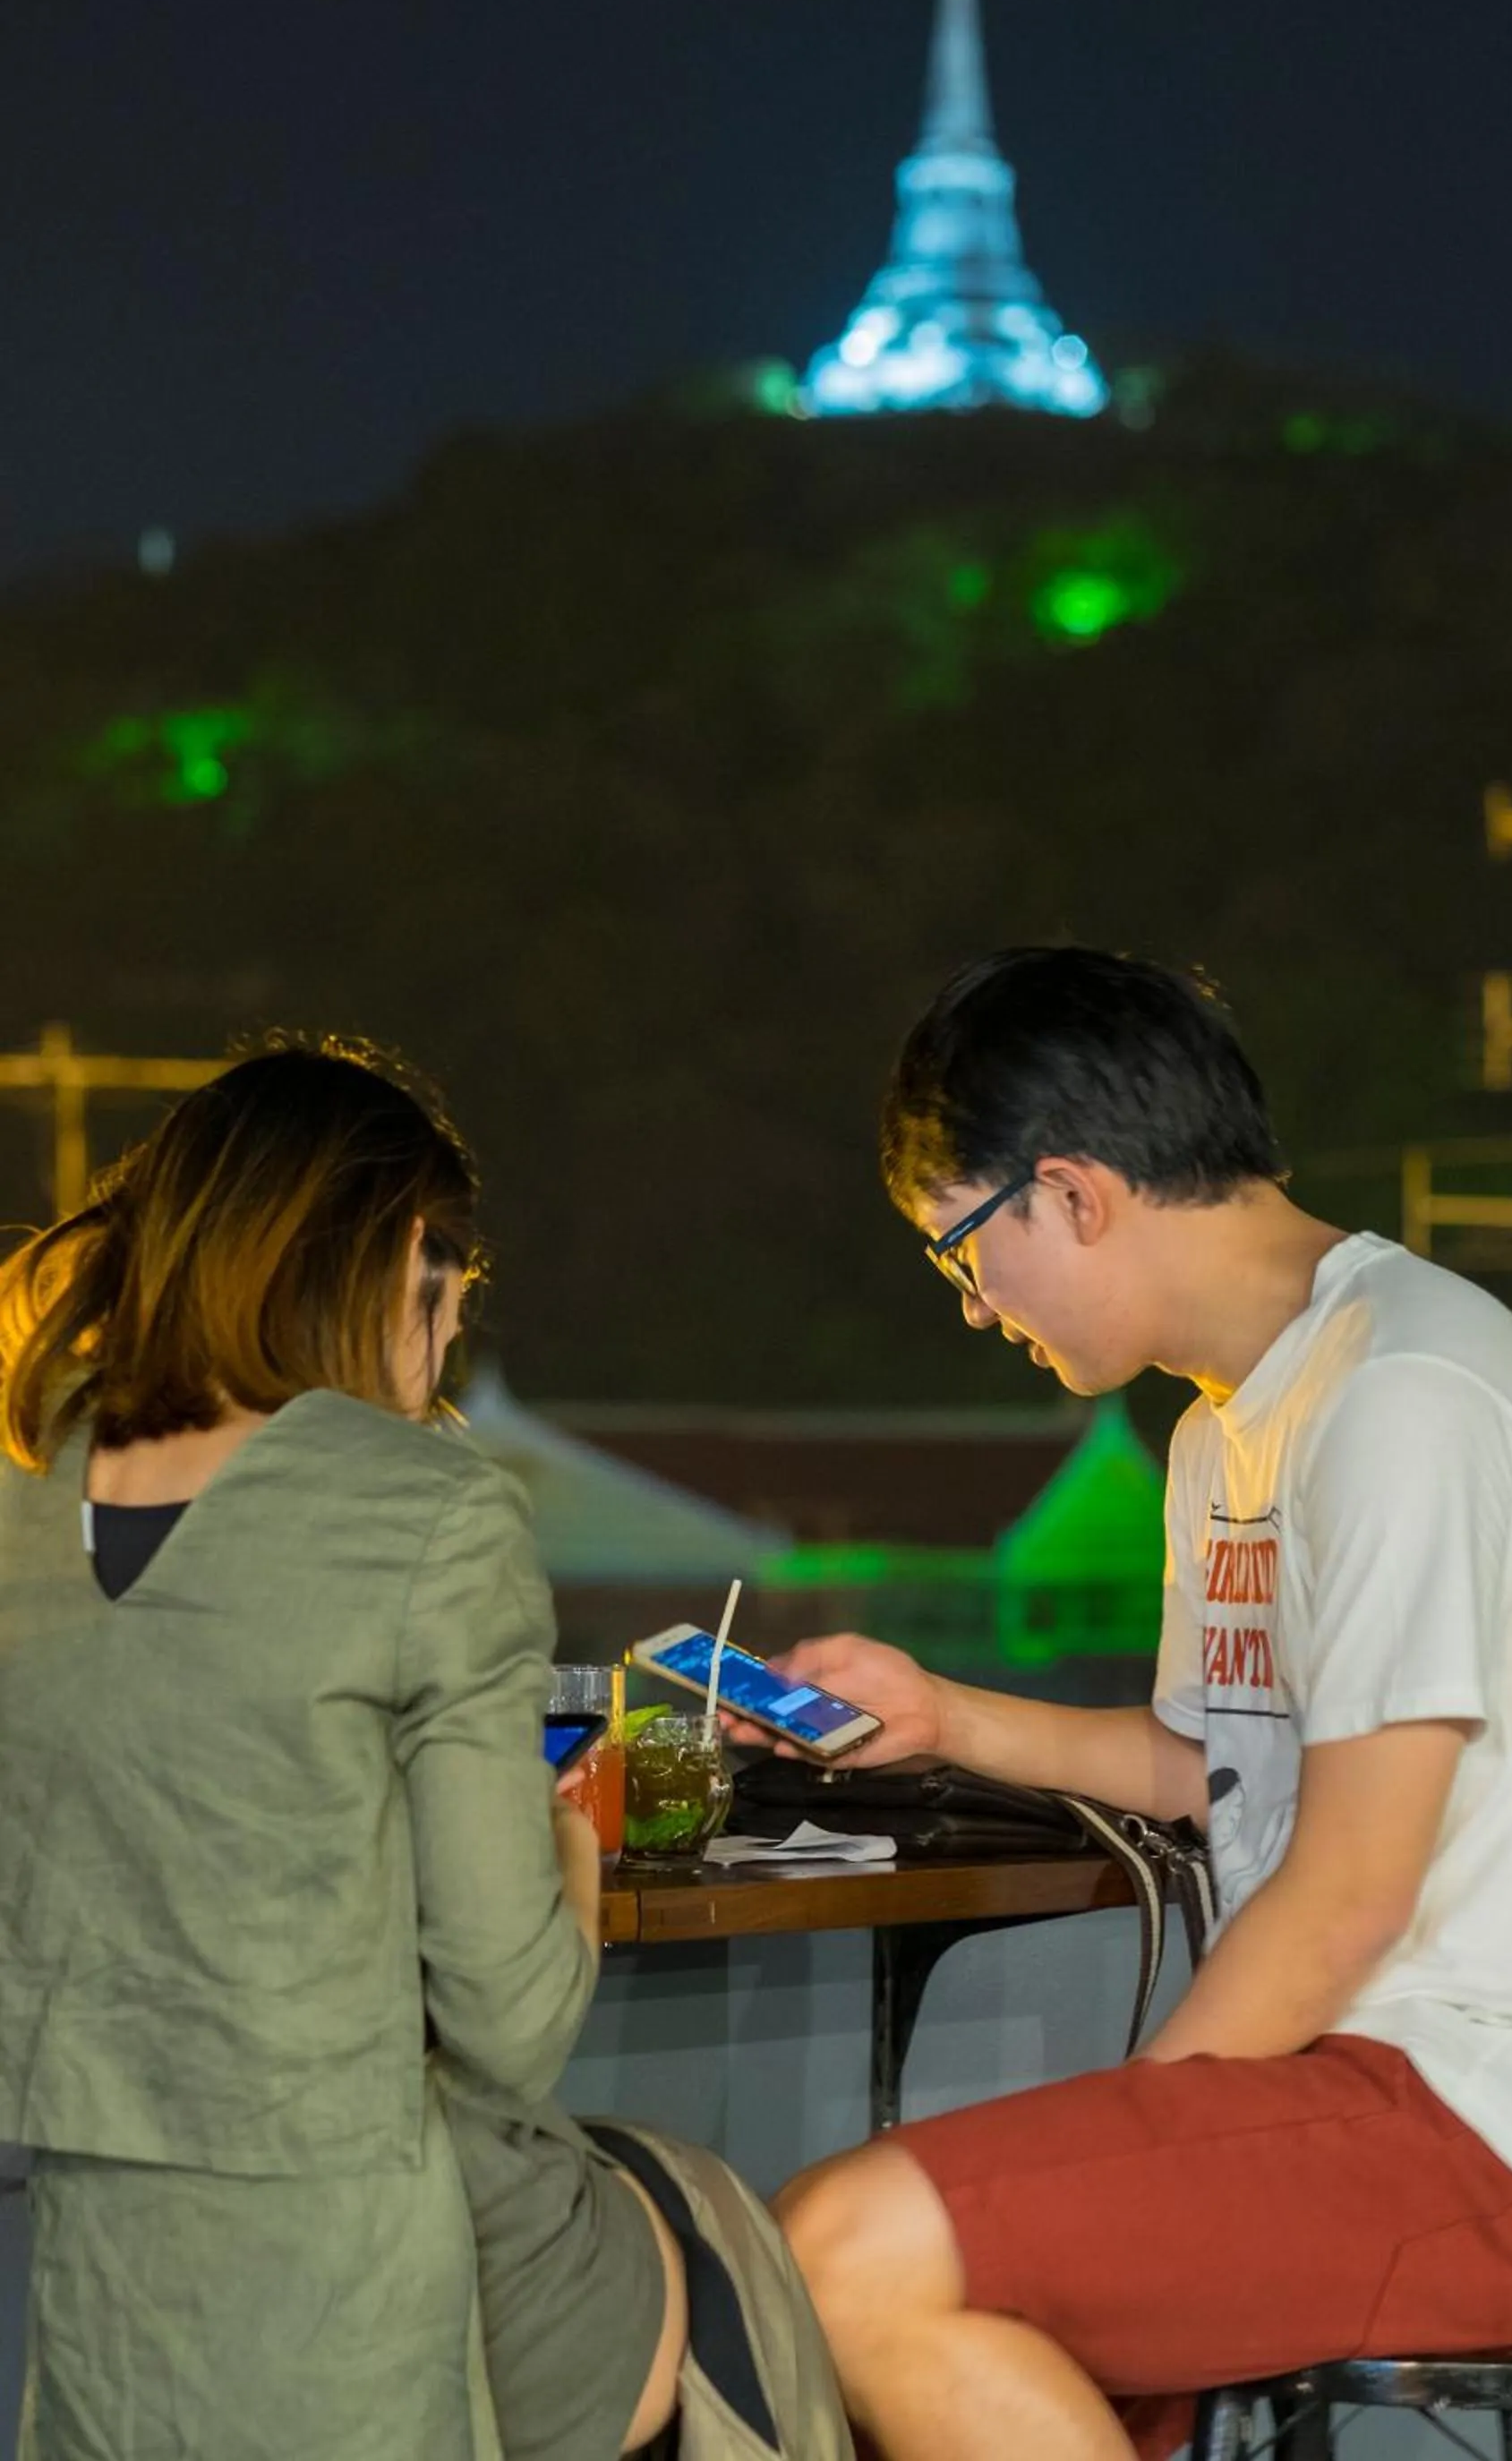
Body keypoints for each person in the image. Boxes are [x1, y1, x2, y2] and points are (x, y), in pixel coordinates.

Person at [762, 947, 1512, 2461]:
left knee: (838, 2254)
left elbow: (1346, 1891)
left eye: (961, 1256)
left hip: (1489, 2125)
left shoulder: (1408, 1391)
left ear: (1069, 1194)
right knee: (858, 2259)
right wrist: (941, 1714)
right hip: (1360, 2079)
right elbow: (1214, 1765)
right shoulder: (1232, 1428)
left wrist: (1124, 2151)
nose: (972, 1311)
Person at [0, 1042, 848, 2461]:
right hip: (358, 2266)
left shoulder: (29, 1487)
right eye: (451, 1290)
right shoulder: (425, 1508)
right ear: (399, 1260)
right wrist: (569, 1819)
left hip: (105, 2271)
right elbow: (512, 2023)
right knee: (722, 2234)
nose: (450, 1341)